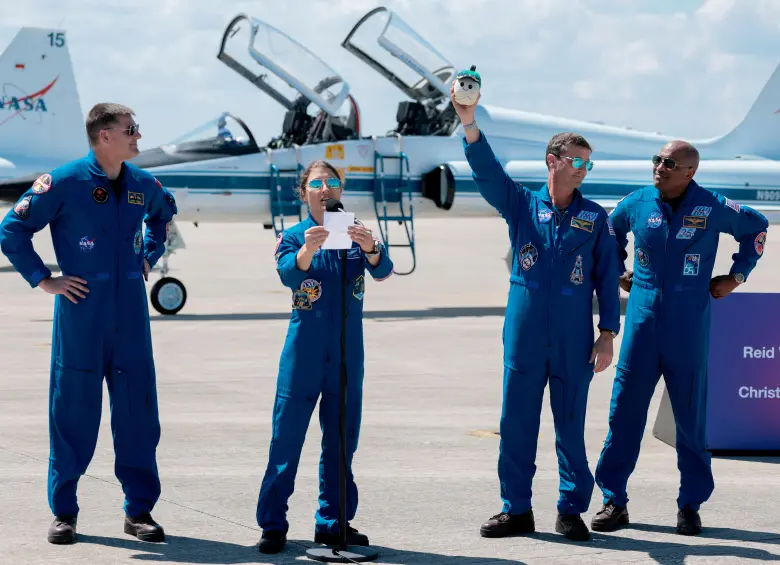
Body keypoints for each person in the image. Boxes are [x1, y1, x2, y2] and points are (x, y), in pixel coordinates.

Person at [0, 103, 177, 545]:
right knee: (72, 411)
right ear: (104, 136)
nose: (138, 137)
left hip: (131, 314)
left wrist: (148, 256)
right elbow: (12, 230)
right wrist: (44, 279)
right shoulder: (63, 181)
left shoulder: (141, 183)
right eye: (130, 130)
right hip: (82, 311)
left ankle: (139, 511)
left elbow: (164, 213)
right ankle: (64, 512)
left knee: (138, 411)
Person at [451, 84, 621, 542]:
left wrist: (607, 333)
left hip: (572, 337)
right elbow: (487, 174)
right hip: (524, 335)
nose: (584, 170)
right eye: (577, 161)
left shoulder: (596, 218)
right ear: (553, 161)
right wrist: (469, 123)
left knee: (570, 426)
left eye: (589, 163)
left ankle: (570, 510)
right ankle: (516, 510)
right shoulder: (523, 205)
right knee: (517, 424)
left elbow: (607, 278)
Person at [591, 141, 769, 536]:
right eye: (656, 160)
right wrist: (617, 271)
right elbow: (608, 235)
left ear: (690, 171)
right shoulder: (636, 203)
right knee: (624, 414)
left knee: (690, 419)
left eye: (670, 163)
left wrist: (737, 276)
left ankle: (690, 505)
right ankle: (613, 500)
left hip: (688, 325)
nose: (660, 167)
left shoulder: (713, 205)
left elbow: (757, 226)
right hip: (641, 323)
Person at [255, 160, 394, 554]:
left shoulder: (355, 233)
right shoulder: (294, 235)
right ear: (305, 192)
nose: (326, 189)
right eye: (317, 183)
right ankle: (273, 523)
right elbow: (287, 273)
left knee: (341, 441)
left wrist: (370, 247)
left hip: (348, 354)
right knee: (286, 439)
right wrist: (307, 250)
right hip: (305, 352)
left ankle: (333, 522)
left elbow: (384, 271)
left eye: (333, 183)